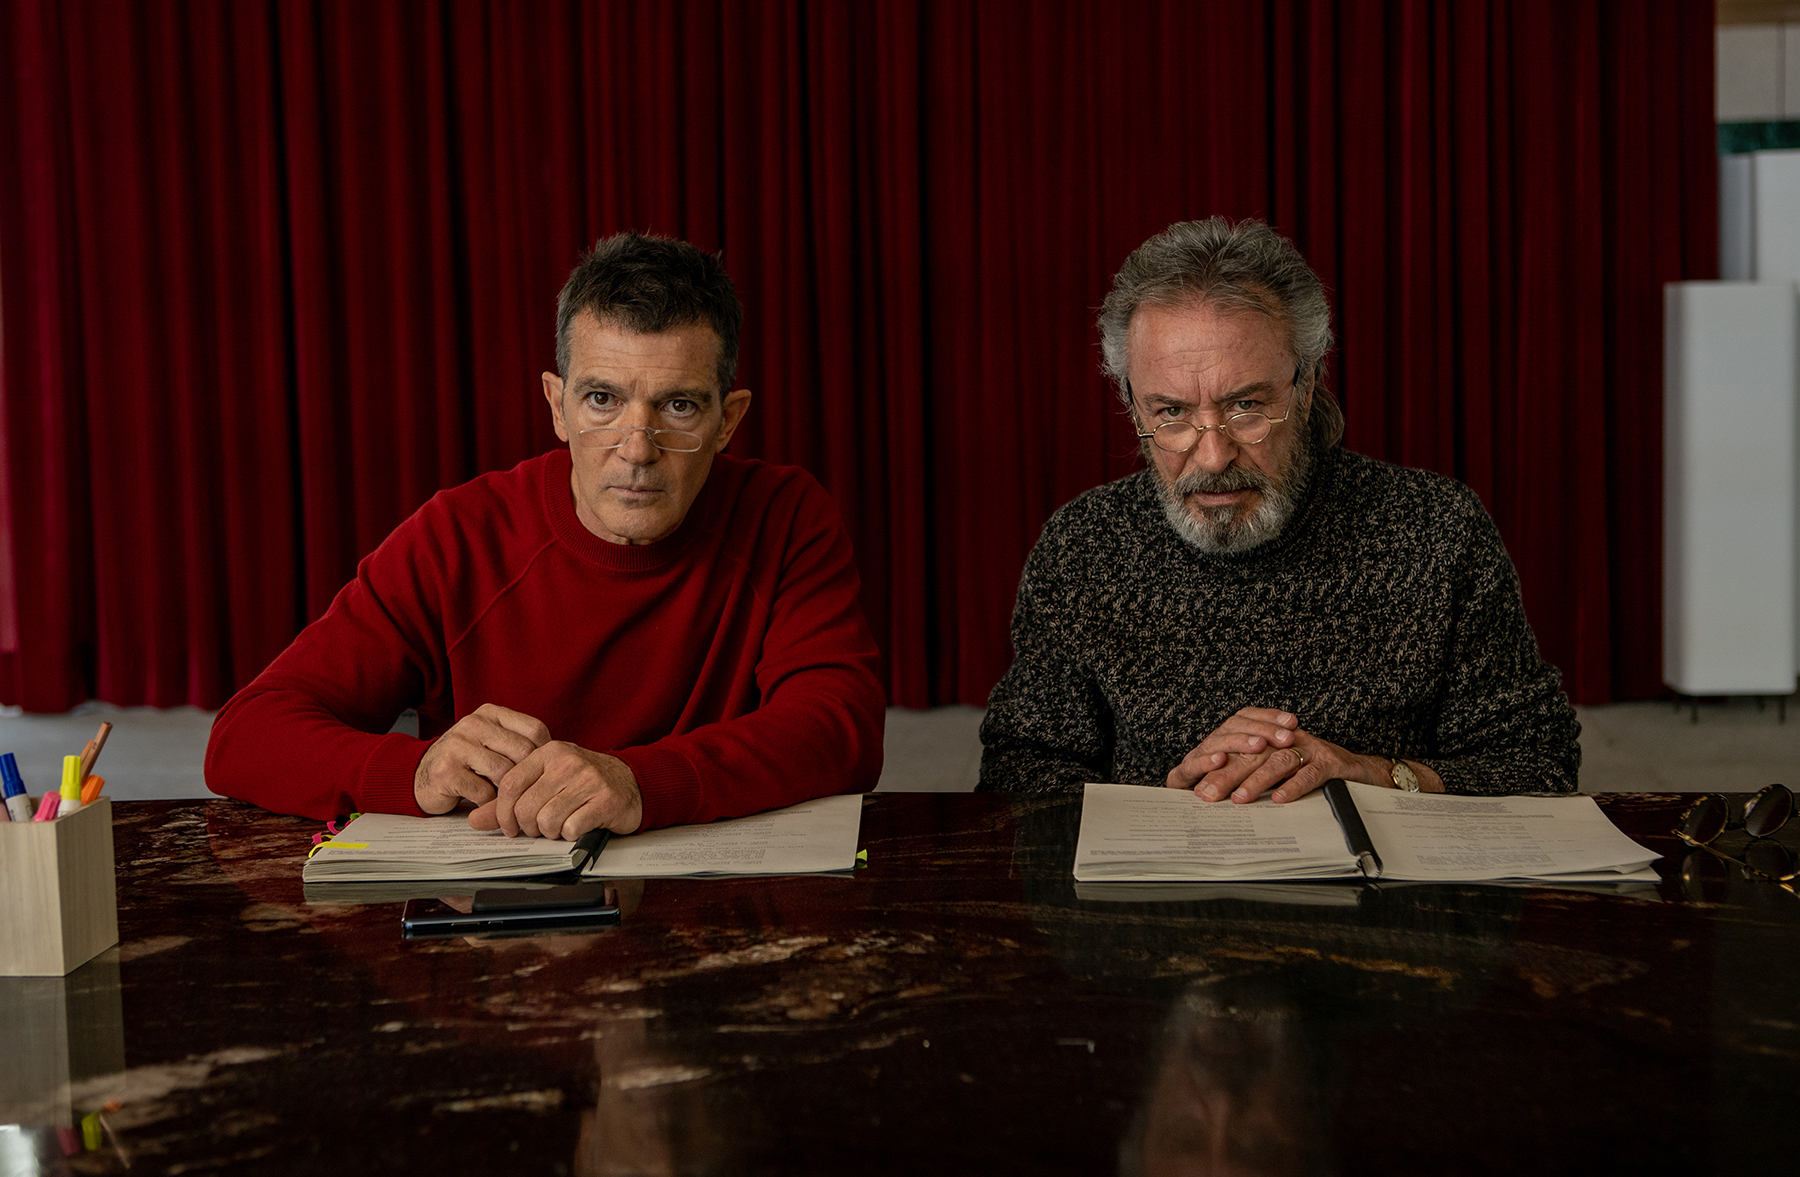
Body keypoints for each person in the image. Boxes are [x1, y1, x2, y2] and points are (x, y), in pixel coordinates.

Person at [206, 232, 885, 839]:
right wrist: (418, 770)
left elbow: (841, 726)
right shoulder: (457, 538)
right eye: (602, 400)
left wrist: (640, 783)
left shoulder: (785, 516)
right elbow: (246, 736)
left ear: (727, 421)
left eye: (678, 405)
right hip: (495, 915)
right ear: (557, 406)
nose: (637, 448)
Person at [978, 217, 1579, 800]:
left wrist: (1373, 773)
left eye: (1246, 406)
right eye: (1171, 413)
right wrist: (1169, 801)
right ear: (1131, 403)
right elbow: (1017, 771)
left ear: (1307, 384)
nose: (1213, 457)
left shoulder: (1437, 529)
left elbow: (1538, 760)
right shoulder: (1084, 546)